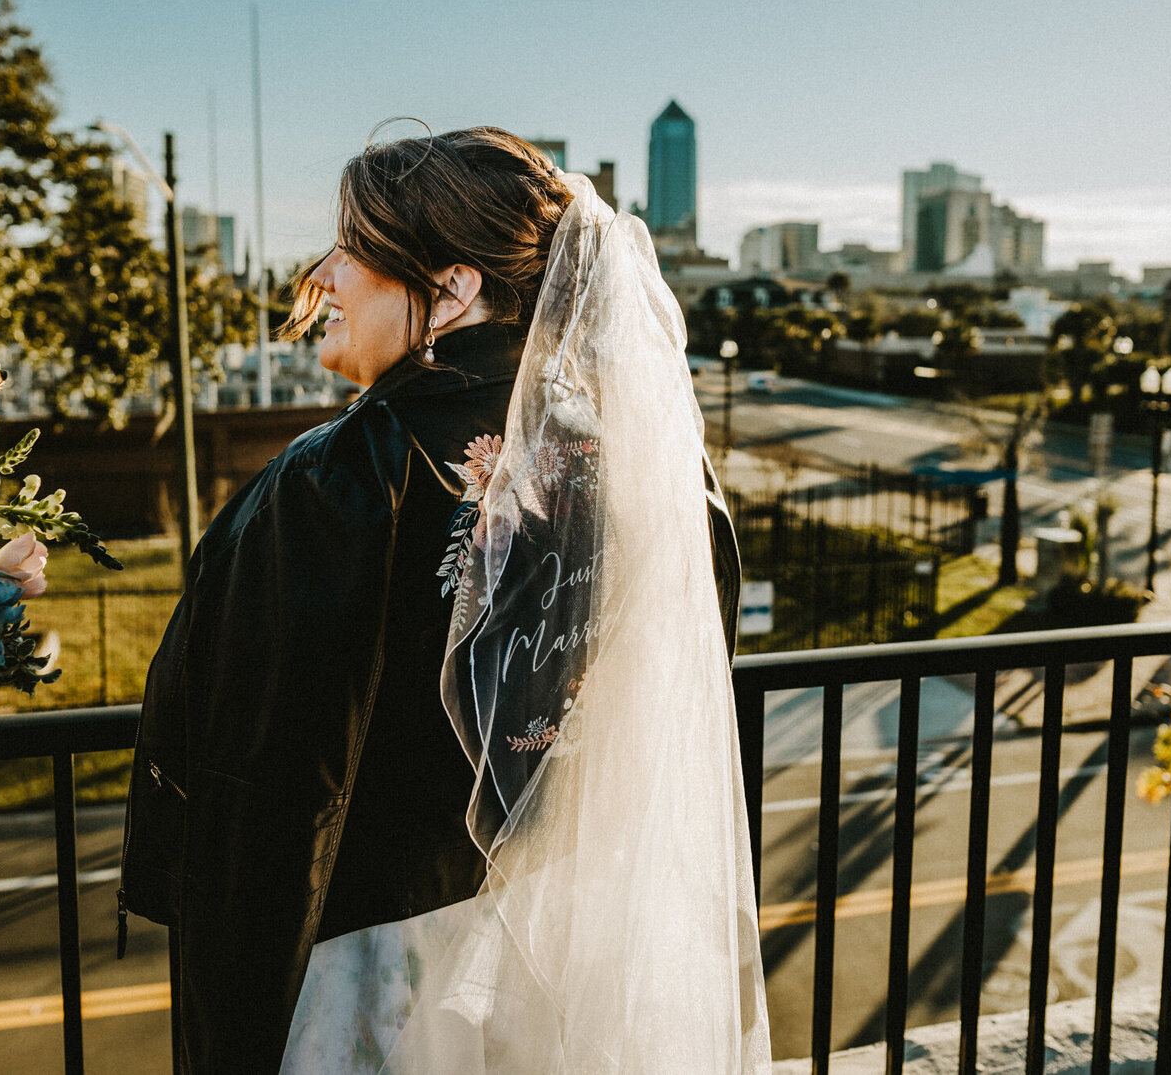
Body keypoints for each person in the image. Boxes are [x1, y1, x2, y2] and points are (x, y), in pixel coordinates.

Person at [121, 125, 770, 1073]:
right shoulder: (648, 467)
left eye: (353, 247)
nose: (323, 275)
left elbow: (268, 794)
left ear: (455, 290)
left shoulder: (342, 475)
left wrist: (231, 1028)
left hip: (379, 971)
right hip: (564, 940)